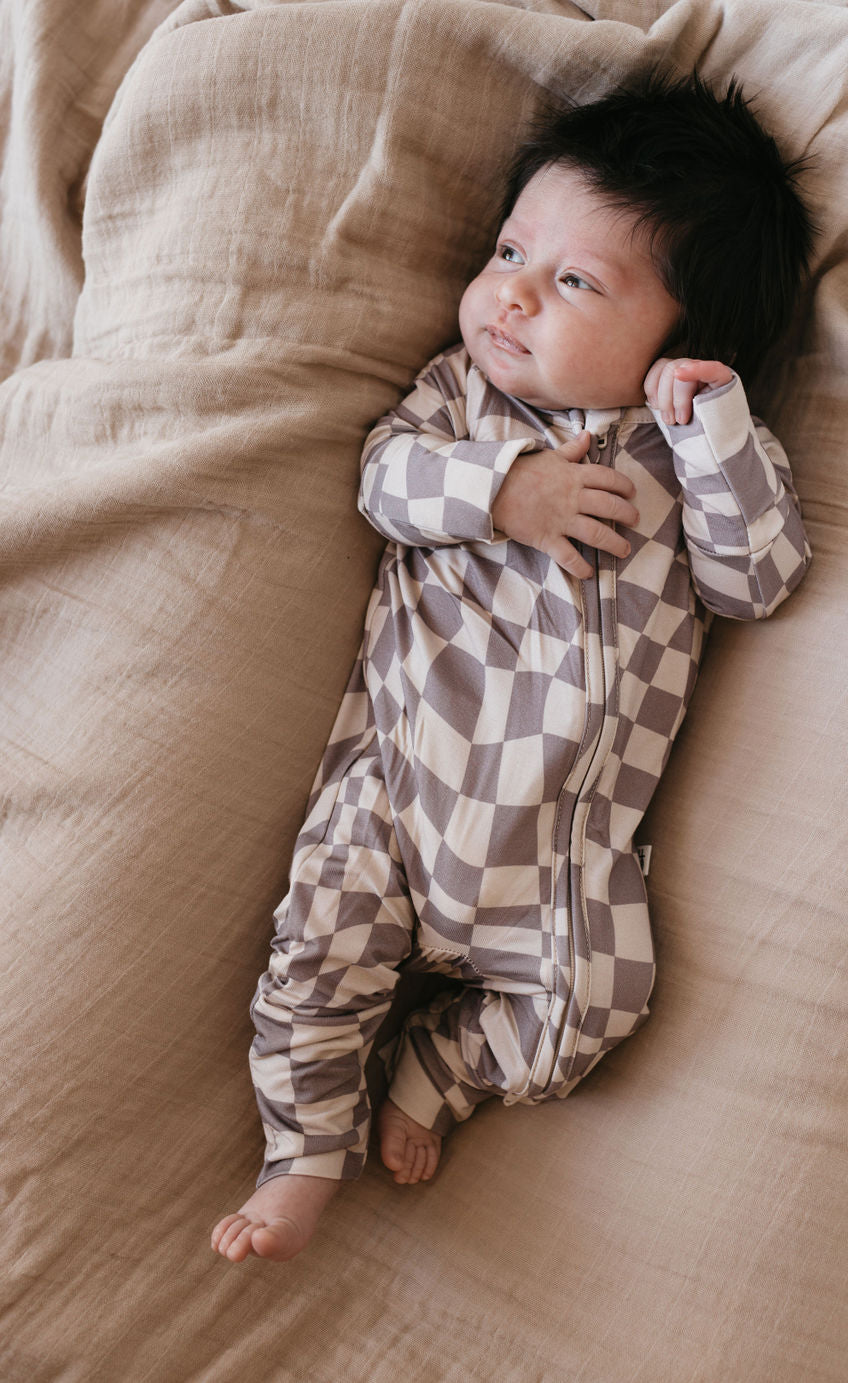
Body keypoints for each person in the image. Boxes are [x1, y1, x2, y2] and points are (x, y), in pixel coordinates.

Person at [211, 67, 814, 1263]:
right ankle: (304, 1149)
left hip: (564, 851)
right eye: (508, 251)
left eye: (574, 281)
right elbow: (384, 479)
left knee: (605, 1001)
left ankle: (447, 1062)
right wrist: (505, 490)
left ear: (684, 337)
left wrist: (717, 432)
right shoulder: (461, 403)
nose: (511, 296)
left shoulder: (691, 460)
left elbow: (761, 579)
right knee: (312, 955)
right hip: (399, 783)